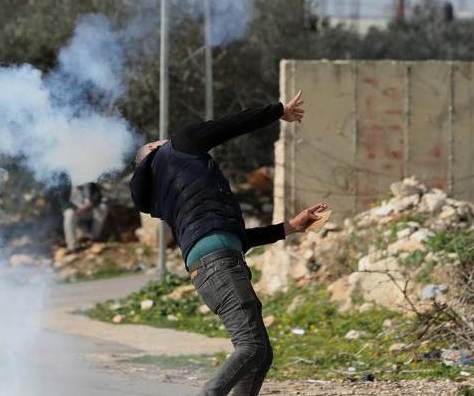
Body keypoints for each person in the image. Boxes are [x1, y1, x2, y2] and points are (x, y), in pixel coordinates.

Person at [130, 92, 327, 396]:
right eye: (159, 139)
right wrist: (277, 111)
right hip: (220, 265)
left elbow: (230, 236)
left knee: (260, 354)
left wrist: (288, 227)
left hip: (211, 268)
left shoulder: (167, 198)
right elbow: (230, 125)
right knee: (251, 346)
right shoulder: (180, 145)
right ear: (155, 148)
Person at [63, 182, 108, 252]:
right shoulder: (66, 186)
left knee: (102, 208)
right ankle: (73, 245)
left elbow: (98, 196)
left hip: (89, 211)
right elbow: (63, 203)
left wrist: (91, 204)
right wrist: (76, 209)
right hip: (76, 214)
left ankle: (94, 238)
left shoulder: (90, 184)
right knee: (69, 213)